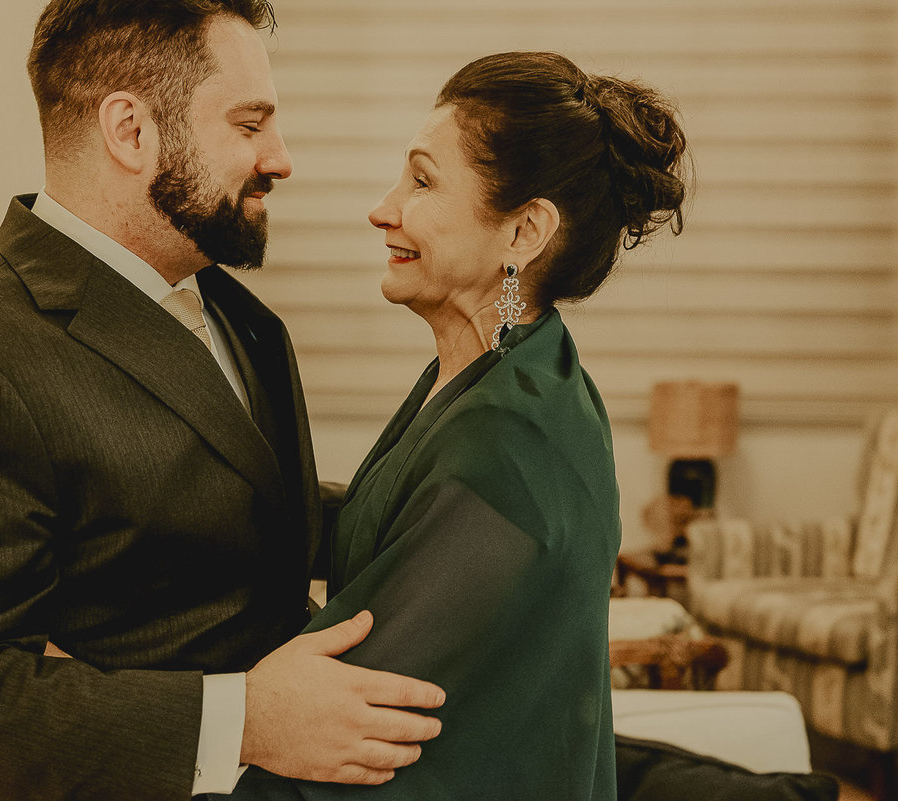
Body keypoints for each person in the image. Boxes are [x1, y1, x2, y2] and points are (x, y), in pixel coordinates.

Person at [0, 2, 445, 800]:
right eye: (250, 124)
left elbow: (239, 518)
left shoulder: (235, 314)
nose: (281, 158)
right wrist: (248, 718)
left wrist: (468, 513)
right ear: (131, 131)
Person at [223, 51, 690, 800]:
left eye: (422, 180)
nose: (384, 208)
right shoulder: (514, 370)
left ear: (524, 232)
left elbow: (345, 720)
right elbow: (398, 520)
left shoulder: (509, 436)